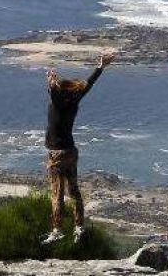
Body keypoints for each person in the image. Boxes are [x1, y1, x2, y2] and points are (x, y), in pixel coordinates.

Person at [41, 52, 116, 244]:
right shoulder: (73, 101)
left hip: (56, 154)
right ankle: (79, 226)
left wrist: (51, 80)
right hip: (71, 152)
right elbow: (87, 85)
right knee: (74, 191)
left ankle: (57, 229)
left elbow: (54, 92)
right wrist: (100, 67)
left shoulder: (58, 103)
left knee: (57, 192)